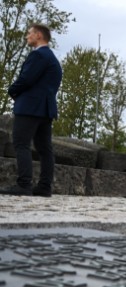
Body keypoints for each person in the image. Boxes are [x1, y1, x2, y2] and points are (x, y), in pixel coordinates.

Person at [0, 24, 62, 197]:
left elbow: (26, 79)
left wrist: (12, 91)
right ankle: (44, 187)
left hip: (30, 108)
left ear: (39, 35)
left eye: (29, 34)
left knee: (21, 143)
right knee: (44, 148)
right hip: (45, 109)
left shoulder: (39, 55)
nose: (27, 36)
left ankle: (24, 184)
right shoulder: (53, 59)